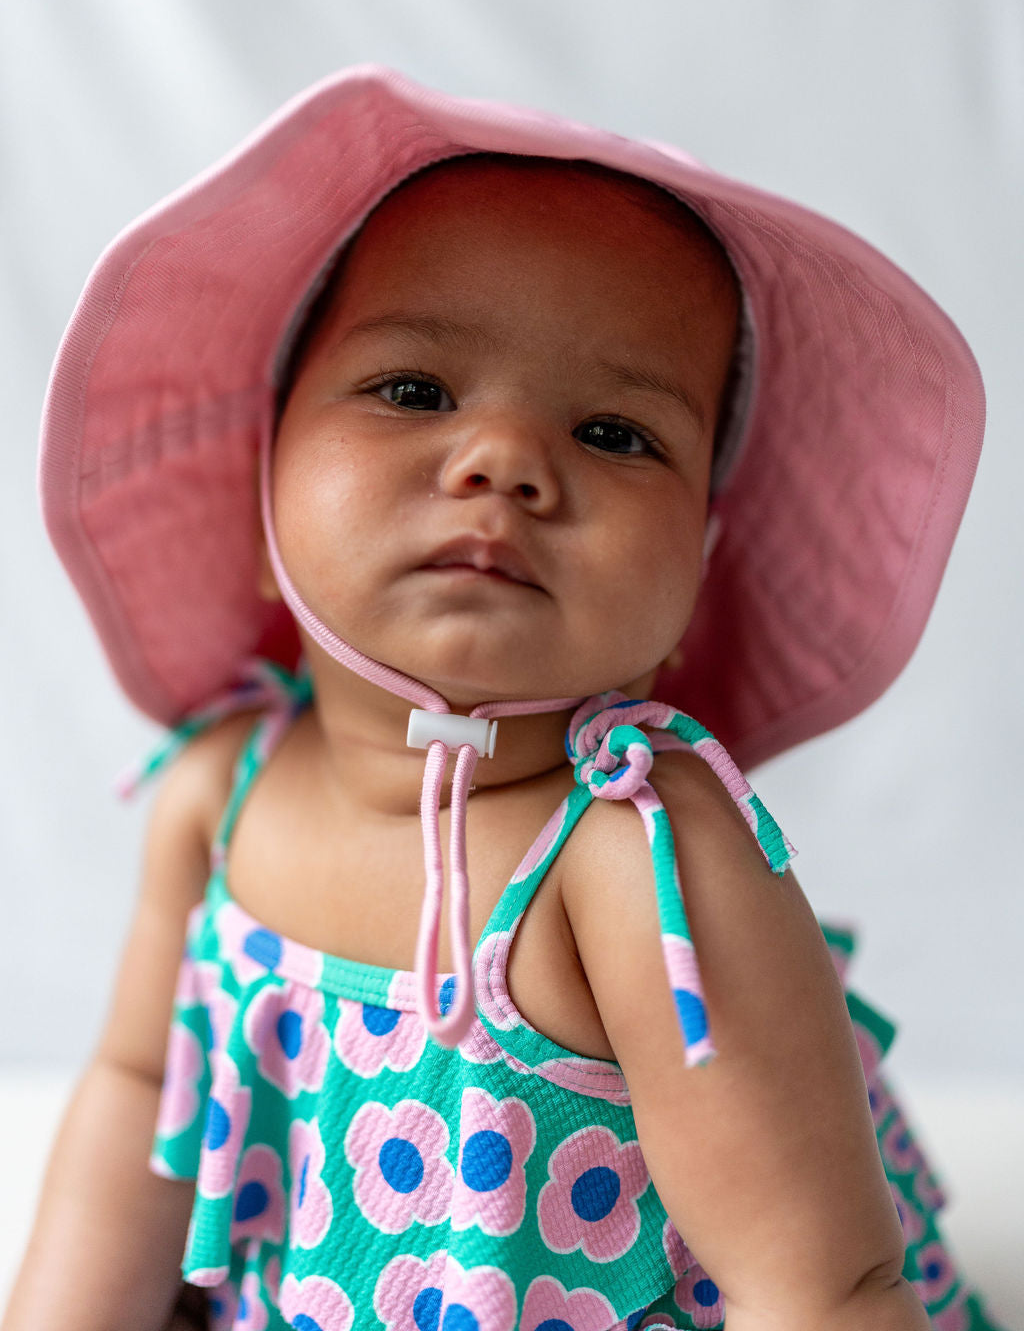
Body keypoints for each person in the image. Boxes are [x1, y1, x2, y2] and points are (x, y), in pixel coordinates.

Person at [5, 67, 1003, 1331]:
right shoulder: (222, 789)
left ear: (697, 575)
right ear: (258, 503)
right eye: (413, 391)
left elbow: (817, 1284)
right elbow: (140, 1101)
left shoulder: (633, 857)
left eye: (614, 433)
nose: (507, 462)